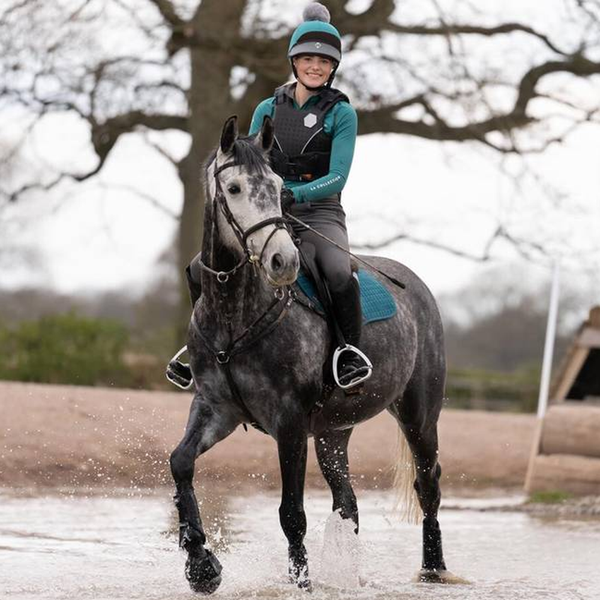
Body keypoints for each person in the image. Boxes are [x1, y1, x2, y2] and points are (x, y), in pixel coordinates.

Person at [166, 2, 372, 391]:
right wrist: (270, 196)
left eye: (324, 61)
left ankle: (348, 355)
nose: (316, 66)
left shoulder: (342, 113)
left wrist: (295, 191)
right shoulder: (267, 107)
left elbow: (338, 176)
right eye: (307, 58)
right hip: (267, 210)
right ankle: (197, 347)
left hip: (320, 211)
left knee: (338, 270)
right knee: (198, 268)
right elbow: (253, 164)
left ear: (333, 68)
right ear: (294, 62)